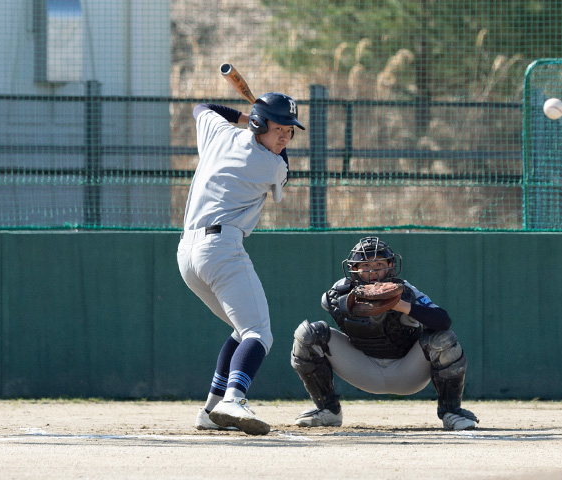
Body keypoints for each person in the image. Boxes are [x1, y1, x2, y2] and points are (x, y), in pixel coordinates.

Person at [180, 92, 303, 436]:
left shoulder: (219, 134)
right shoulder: (271, 164)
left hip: (188, 255)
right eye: (279, 128)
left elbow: (202, 109)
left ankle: (210, 409)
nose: (285, 137)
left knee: (242, 330)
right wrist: (253, 120)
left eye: (290, 131)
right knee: (258, 333)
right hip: (220, 249)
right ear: (259, 124)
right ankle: (233, 398)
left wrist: (243, 119)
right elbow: (285, 170)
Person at [290, 236, 479, 431]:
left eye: (379, 264)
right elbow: (330, 304)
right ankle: (328, 411)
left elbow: (443, 321)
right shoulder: (337, 293)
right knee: (308, 334)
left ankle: (451, 412)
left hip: (407, 371)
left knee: (443, 339)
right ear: (353, 268)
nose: (372, 271)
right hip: (361, 367)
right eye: (365, 265)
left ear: (390, 265)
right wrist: (354, 302)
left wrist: (399, 305)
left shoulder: (406, 291)